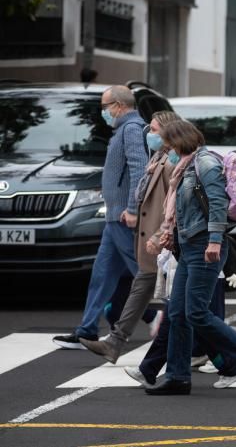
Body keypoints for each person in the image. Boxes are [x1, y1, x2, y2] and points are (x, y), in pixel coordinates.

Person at [144, 120, 236, 395]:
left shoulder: (205, 164)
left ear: (181, 141)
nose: (167, 150)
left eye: (169, 144)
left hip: (204, 247)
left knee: (196, 311)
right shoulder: (184, 167)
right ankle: (178, 377)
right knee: (178, 313)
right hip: (188, 247)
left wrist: (215, 241)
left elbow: (218, 204)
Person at [53, 86, 149, 349]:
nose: (104, 112)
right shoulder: (123, 130)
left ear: (118, 105)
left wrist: (132, 208)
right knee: (102, 274)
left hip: (122, 216)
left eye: (105, 107)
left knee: (142, 272)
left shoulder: (130, 129)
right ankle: (87, 330)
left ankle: (160, 315)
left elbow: (139, 169)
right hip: (114, 216)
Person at [79, 111, 180, 362]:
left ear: (168, 133)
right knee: (139, 289)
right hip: (151, 240)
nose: (150, 134)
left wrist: (159, 234)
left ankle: (234, 356)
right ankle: (115, 341)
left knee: (187, 307)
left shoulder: (171, 163)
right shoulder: (158, 157)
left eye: (155, 130)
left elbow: (176, 207)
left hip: (166, 242)